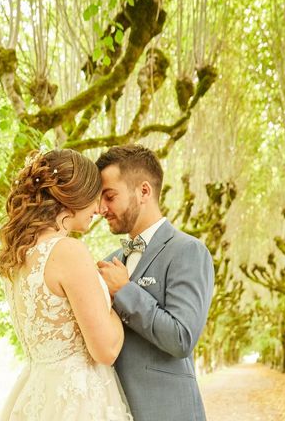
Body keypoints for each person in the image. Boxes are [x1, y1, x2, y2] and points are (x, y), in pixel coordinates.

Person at [0, 149, 133, 420]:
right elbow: (105, 350)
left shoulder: (16, 257)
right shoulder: (68, 251)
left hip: (38, 391)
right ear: (72, 197)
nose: (99, 208)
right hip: (77, 401)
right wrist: (119, 292)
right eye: (94, 196)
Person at [96, 144, 214, 421]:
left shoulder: (188, 251)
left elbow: (181, 338)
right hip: (113, 409)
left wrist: (125, 291)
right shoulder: (111, 261)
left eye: (109, 196)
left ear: (144, 192)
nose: (102, 209)